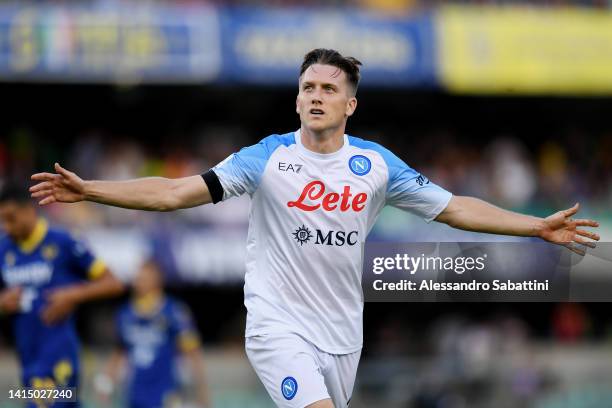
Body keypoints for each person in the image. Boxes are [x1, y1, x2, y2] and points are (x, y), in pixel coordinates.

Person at [29, 48, 600, 408]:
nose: (316, 97)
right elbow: (176, 192)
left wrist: (534, 227)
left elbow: (453, 207)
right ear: (297, 98)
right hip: (277, 324)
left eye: (329, 89)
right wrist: (92, 189)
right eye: (308, 88)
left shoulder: (377, 164)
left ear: (350, 104)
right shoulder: (267, 157)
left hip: (342, 332)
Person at [0, 182, 124, 407]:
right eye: (2, 220)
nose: (6, 226)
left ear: (29, 210)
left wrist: (73, 295)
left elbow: (113, 283)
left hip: (59, 355)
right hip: (28, 358)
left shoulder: (64, 242)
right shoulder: (3, 249)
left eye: (11, 218)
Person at [94, 259, 210, 408]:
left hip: (166, 393)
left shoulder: (174, 311)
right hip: (134, 394)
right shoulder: (125, 314)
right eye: (138, 278)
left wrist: (203, 392)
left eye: (145, 278)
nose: (139, 282)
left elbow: (193, 353)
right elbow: (119, 351)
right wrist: (107, 379)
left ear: (157, 280)